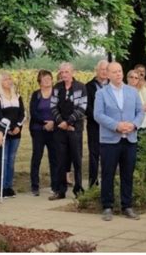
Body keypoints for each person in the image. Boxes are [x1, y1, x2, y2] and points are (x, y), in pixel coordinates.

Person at [94, 62, 144, 221]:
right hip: (110, 140)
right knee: (108, 174)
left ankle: (127, 206)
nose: (118, 74)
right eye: (114, 72)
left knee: (127, 174)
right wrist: (116, 126)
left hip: (129, 139)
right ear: (107, 74)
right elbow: (98, 115)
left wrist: (134, 125)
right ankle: (107, 206)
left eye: (120, 71)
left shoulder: (132, 91)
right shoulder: (101, 93)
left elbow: (140, 111)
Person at [50, 62, 87, 199]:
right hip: (60, 129)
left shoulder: (81, 87)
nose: (64, 74)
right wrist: (61, 122)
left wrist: (69, 122)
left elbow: (82, 108)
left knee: (77, 160)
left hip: (75, 129)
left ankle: (78, 189)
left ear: (73, 72)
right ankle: (60, 190)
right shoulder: (57, 88)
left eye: (67, 72)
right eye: (62, 72)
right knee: (60, 160)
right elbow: (53, 106)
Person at [0, 71, 26, 198]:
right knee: (3, 159)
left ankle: (9, 186)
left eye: (10, 78)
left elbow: (23, 114)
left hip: (16, 133)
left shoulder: (17, 95)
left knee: (11, 160)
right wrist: (9, 127)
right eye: (5, 79)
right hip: (2, 132)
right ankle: (1, 187)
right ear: (0, 82)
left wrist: (18, 126)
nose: (8, 81)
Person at [29, 69, 59, 197]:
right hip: (38, 130)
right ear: (39, 81)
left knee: (54, 158)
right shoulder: (36, 95)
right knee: (37, 157)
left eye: (49, 78)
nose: (47, 81)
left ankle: (55, 185)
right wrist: (44, 123)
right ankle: (35, 186)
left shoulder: (57, 94)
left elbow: (61, 109)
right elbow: (33, 112)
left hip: (54, 129)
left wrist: (53, 123)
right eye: (44, 78)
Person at [85, 59, 108, 188]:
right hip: (94, 125)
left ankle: (107, 181)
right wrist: (98, 118)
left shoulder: (112, 86)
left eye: (106, 69)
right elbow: (87, 106)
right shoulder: (89, 86)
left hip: (110, 127)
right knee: (94, 154)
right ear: (97, 70)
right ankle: (93, 183)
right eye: (102, 69)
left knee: (108, 154)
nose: (104, 72)